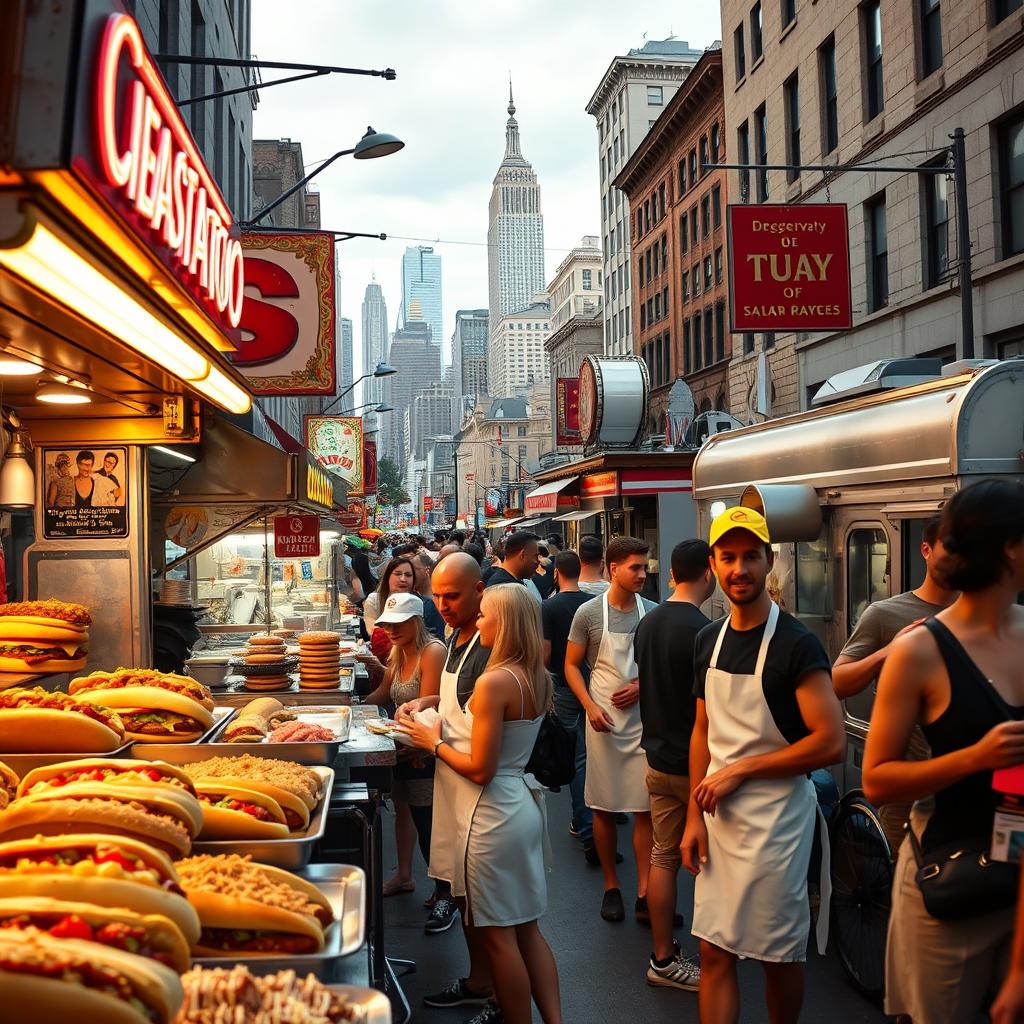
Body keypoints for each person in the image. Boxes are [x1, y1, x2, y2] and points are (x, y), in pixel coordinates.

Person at [863, 480, 1024, 1024]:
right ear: (1009, 548)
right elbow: (878, 779)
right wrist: (975, 757)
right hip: (948, 879)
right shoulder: (919, 649)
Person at [682, 506, 844, 1024]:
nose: (740, 569)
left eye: (750, 556)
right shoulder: (707, 641)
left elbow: (831, 742)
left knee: (777, 957)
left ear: (768, 561)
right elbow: (702, 733)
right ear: (713, 565)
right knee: (713, 951)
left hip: (777, 822)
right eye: (727, 557)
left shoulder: (798, 644)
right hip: (718, 820)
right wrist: (691, 819)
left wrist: (741, 770)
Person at [400, 583, 561, 1024]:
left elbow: (479, 768)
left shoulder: (493, 681)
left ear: (504, 621)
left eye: (486, 614)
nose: (479, 621)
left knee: (498, 940)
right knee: (528, 930)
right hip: (521, 808)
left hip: (490, 815)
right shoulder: (536, 675)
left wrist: (432, 742)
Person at [398, 553, 498, 1010]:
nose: (442, 605)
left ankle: (499, 1000)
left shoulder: (490, 648)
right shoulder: (459, 637)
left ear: (480, 591)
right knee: (466, 900)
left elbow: (483, 756)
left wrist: (431, 741)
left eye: (452, 596)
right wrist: (426, 705)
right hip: (455, 788)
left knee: (495, 919)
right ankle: (479, 983)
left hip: (483, 796)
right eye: (436, 595)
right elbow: (458, 701)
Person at [834, 514, 956, 848]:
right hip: (907, 792)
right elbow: (839, 682)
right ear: (926, 549)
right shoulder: (886, 614)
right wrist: (889, 651)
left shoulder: (981, 618)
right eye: (952, 545)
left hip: (966, 789)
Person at [565, 536, 657, 923]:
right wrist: (589, 706)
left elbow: (657, 666)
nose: (642, 574)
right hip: (601, 720)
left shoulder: (652, 613)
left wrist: (642, 686)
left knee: (644, 809)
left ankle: (645, 891)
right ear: (613, 568)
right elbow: (571, 665)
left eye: (644, 567)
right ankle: (611, 886)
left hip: (641, 723)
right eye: (635, 567)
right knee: (601, 806)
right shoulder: (587, 613)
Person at [636, 539, 714, 992]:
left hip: (657, 757)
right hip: (695, 766)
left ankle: (663, 958)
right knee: (711, 862)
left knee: (663, 857)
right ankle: (715, 957)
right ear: (709, 571)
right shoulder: (705, 630)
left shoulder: (650, 621)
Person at [360, 594, 446, 901]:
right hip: (400, 745)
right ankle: (406, 876)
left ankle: (445, 892)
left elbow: (432, 707)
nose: (391, 630)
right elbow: (385, 692)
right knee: (403, 810)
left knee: (428, 822)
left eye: (398, 624)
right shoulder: (398, 651)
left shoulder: (432, 652)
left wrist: (421, 745)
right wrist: (351, 709)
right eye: (387, 624)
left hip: (421, 750)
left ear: (416, 622)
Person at [541, 550, 595, 859]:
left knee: (577, 757)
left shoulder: (549, 606)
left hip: (563, 686)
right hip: (594, 686)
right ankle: (607, 813)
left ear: (557, 573)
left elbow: (546, 654)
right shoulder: (590, 604)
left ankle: (583, 822)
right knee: (599, 751)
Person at [484, 531, 541, 597]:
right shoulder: (504, 589)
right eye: (536, 556)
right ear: (522, 555)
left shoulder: (509, 582)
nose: (538, 561)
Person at [411, 551, 447, 640]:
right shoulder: (412, 598)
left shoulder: (440, 600)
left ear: (427, 570)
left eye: (413, 569)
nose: (410, 574)